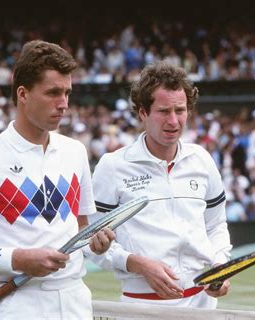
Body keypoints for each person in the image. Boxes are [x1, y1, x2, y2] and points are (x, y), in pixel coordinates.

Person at [0, 40, 114, 320]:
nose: (64, 104)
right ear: (23, 93)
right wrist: (17, 259)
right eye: (53, 93)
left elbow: (83, 229)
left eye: (67, 93)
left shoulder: (76, 152)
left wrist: (97, 241)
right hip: (16, 306)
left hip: (76, 302)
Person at [87, 62, 232, 309]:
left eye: (180, 110)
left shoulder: (202, 159)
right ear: (143, 112)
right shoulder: (112, 166)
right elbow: (91, 243)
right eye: (164, 111)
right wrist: (138, 264)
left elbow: (216, 225)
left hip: (202, 307)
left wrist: (220, 264)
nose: (174, 121)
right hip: (142, 307)